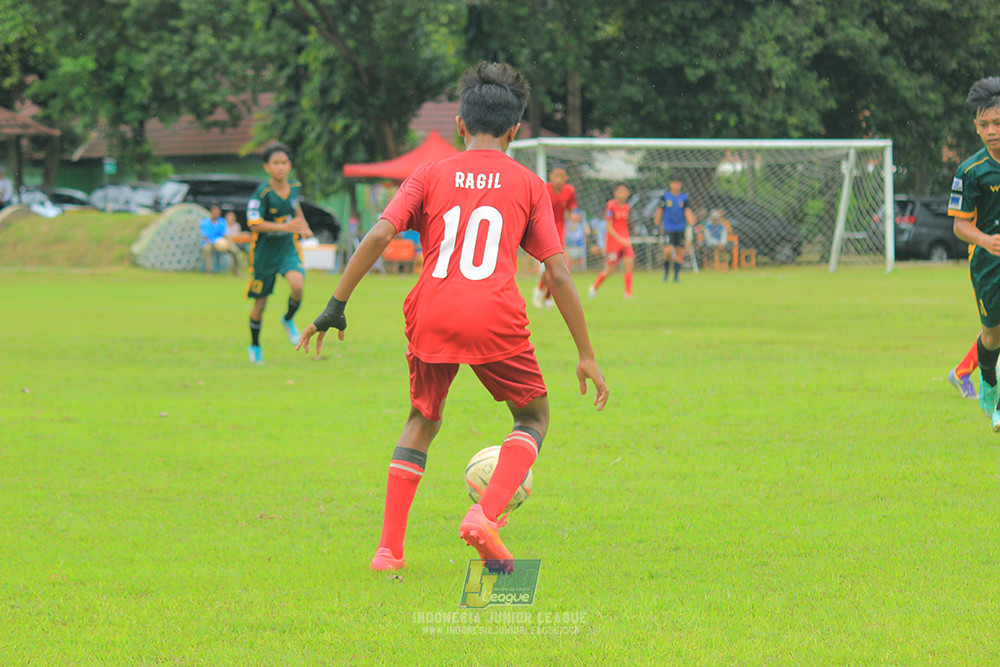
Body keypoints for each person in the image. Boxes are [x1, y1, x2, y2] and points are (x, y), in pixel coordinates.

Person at [295, 62, 609, 573]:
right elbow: (557, 273)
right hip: (494, 314)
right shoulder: (530, 184)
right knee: (532, 417)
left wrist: (335, 306)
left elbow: (378, 235)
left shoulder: (430, 173)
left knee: (422, 418)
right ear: (515, 131)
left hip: (431, 310)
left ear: (459, 125)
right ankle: (485, 517)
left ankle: (388, 552)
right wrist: (586, 354)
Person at [950, 76, 1000, 430]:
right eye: (984, 125)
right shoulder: (970, 171)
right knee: (992, 335)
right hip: (987, 264)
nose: (992, 131)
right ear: (976, 128)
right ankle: (988, 383)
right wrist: (984, 240)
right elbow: (959, 226)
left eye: (997, 123)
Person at [245, 143, 313, 364]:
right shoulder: (262, 193)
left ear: (289, 165)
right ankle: (255, 346)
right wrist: (283, 227)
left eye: (284, 163)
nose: (280, 167)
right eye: (276, 163)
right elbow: (253, 223)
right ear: (267, 167)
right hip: (264, 254)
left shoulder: (294, 186)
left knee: (297, 285)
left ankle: (288, 319)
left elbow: (295, 207)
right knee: (260, 305)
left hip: (287, 249)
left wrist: (302, 225)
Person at [532, 167, 578, 309]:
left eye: (561, 176)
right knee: (556, 264)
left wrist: (573, 218)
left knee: (556, 266)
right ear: (551, 176)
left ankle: (544, 295)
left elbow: (572, 209)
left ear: (566, 178)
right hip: (545, 228)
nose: (558, 179)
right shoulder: (544, 189)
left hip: (560, 231)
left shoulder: (569, 191)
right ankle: (541, 291)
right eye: (556, 176)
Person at [588, 183, 634, 299]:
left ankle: (628, 293)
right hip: (613, 242)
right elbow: (609, 227)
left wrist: (625, 239)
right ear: (615, 193)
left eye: (625, 191)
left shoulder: (626, 207)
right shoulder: (611, 206)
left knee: (629, 264)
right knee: (611, 269)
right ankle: (594, 286)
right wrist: (620, 239)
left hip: (625, 240)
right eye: (620, 191)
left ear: (627, 193)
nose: (622, 194)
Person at [655, 173, 697, 282]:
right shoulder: (665, 197)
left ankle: (676, 277)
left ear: (681, 184)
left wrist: (692, 224)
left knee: (680, 252)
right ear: (670, 184)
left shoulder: (684, 198)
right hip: (668, 227)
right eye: (674, 183)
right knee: (667, 250)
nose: (676, 185)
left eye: (678, 183)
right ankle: (666, 273)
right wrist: (657, 223)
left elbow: (688, 211)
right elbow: (660, 211)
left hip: (681, 228)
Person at [199, 205, 240, 275]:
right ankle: (209, 270)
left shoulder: (222, 221)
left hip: (221, 240)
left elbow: (225, 234)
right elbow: (205, 235)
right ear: (211, 213)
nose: (215, 214)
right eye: (214, 212)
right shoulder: (205, 222)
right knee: (206, 249)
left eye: (217, 212)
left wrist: (228, 242)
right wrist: (216, 242)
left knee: (235, 250)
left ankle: (236, 270)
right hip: (210, 241)